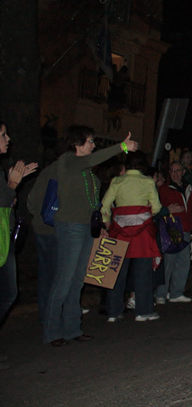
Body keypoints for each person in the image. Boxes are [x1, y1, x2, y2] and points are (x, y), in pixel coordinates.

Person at [44, 127, 136, 346]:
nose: (93, 145)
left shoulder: (87, 170)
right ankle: (52, 331)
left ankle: (72, 329)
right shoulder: (67, 161)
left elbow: (92, 200)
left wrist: (100, 224)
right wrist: (121, 147)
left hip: (86, 228)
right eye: (91, 141)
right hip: (70, 227)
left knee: (77, 282)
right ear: (78, 143)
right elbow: (94, 158)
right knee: (64, 280)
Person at [101, 151, 163, 322]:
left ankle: (113, 312)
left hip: (120, 231)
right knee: (143, 273)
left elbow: (104, 206)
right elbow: (157, 207)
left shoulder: (117, 181)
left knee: (116, 272)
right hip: (142, 233)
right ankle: (143, 311)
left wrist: (107, 221)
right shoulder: (147, 181)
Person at [0, 121, 38, 369]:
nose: (8, 138)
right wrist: (13, 185)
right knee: (6, 292)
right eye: (3, 134)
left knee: (8, 292)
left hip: (4, 236)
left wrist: (12, 186)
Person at [155, 161, 192, 305]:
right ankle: (161, 294)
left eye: (177, 170)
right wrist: (168, 210)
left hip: (185, 229)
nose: (174, 173)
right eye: (172, 170)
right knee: (168, 262)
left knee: (183, 262)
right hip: (171, 228)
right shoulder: (164, 190)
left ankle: (176, 292)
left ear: (183, 172)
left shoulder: (188, 188)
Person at [26, 162, 58, 324]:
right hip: (56, 230)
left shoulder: (46, 172)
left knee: (46, 273)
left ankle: (46, 313)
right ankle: (54, 315)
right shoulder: (67, 170)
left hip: (41, 227)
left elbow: (31, 202)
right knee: (58, 274)